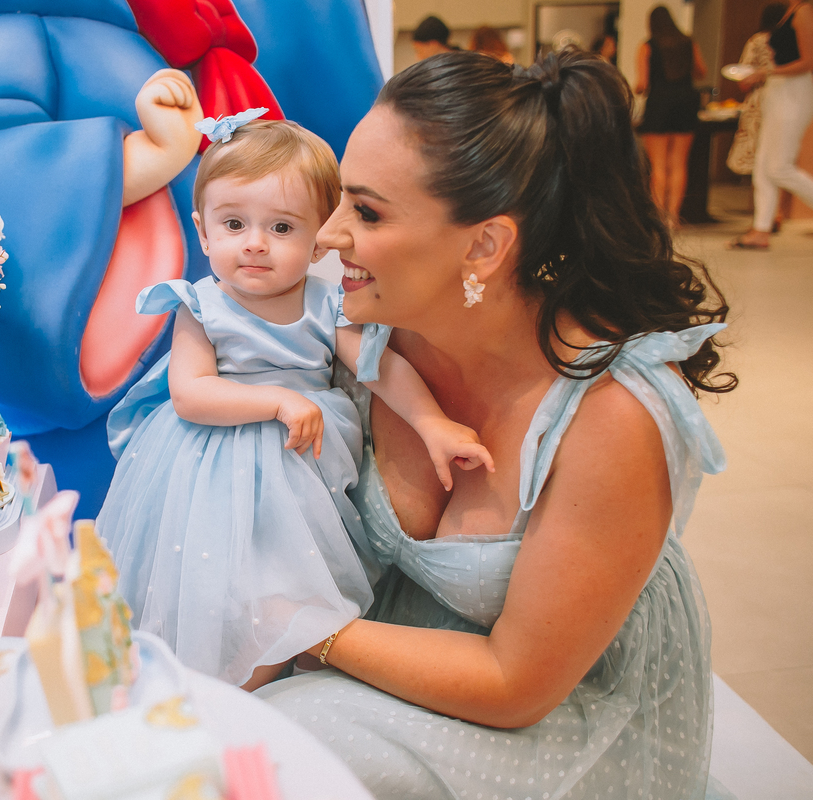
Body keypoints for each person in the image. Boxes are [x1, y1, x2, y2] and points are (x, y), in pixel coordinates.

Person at [256, 49, 735, 800]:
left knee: (284, 746)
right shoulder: (374, 330)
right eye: (340, 199)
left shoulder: (613, 411)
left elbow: (517, 685)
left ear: (485, 244)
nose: (327, 236)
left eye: (368, 211)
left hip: (559, 717)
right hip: (389, 667)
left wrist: (307, 630)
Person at [97, 118, 494, 692]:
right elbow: (190, 393)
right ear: (203, 232)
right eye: (233, 223)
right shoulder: (200, 304)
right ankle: (216, 687)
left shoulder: (326, 303)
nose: (255, 242)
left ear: (317, 239)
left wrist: (432, 423)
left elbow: (379, 365)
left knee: (294, 575)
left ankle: (292, 681)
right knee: (215, 578)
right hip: (209, 466)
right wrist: (276, 399)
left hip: (298, 466)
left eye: (281, 227)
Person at [729, 0, 813, 249]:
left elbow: (808, 61)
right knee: (763, 167)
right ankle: (760, 230)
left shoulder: (804, 12)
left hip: (794, 92)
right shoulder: (790, 11)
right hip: (778, 91)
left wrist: (764, 73)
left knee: (779, 167)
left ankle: (761, 228)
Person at [636, 6, 707, 228]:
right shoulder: (688, 42)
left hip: (659, 102)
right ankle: (673, 216)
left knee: (658, 165)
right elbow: (701, 71)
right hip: (686, 101)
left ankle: (657, 215)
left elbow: (642, 84)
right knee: (678, 163)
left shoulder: (647, 47)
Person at [727, 4, 791, 231]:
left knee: (759, 160)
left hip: (759, 102)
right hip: (786, 99)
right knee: (779, 157)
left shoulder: (757, 41)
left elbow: (744, 75)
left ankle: (761, 214)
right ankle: (778, 212)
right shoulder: (791, 41)